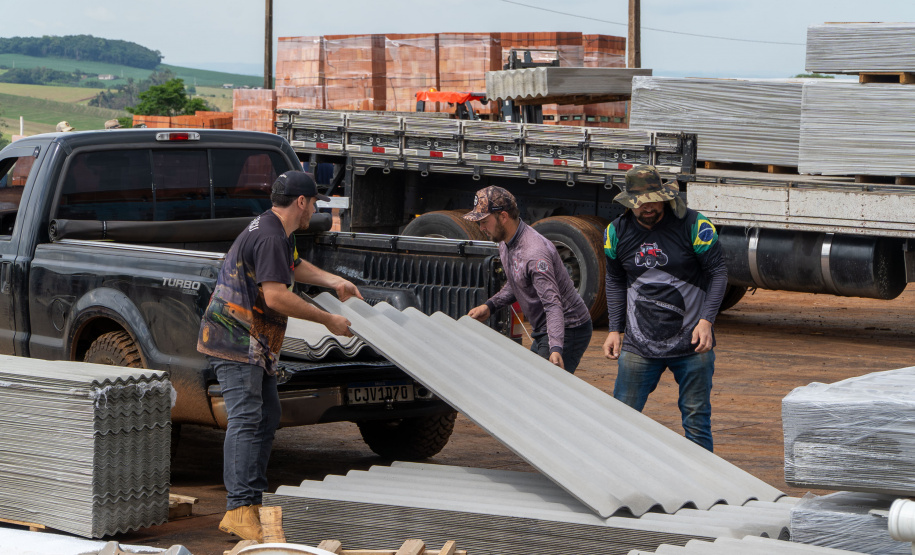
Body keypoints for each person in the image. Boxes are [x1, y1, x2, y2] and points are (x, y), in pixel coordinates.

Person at [197, 170, 363, 541]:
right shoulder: (272, 235)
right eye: (315, 203)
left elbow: (293, 266)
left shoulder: (275, 229)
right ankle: (239, 508)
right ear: (301, 202)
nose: (315, 210)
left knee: (267, 413)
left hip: (255, 341)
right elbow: (276, 296)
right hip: (236, 340)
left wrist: (334, 281)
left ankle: (251, 501)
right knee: (246, 418)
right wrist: (328, 320)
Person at [602, 165, 727, 452]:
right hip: (638, 345)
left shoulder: (694, 226)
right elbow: (615, 279)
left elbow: (718, 273)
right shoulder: (616, 232)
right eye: (640, 202)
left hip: (692, 345)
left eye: (653, 200)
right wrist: (614, 329)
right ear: (630, 202)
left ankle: (702, 485)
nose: (647, 207)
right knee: (621, 418)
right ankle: (620, 483)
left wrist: (707, 320)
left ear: (665, 197)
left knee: (697, 421)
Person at [464, 186, 592, 373]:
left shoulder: (534, 253)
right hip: (545, 328)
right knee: (532, 381)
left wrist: (556, 347)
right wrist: (490, 306)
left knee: (543, 387)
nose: (481, 228)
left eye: (484, 221)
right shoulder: (505, 243)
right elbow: (517, 282)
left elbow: (552, 304)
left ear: (503, 217)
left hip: (569, 328)